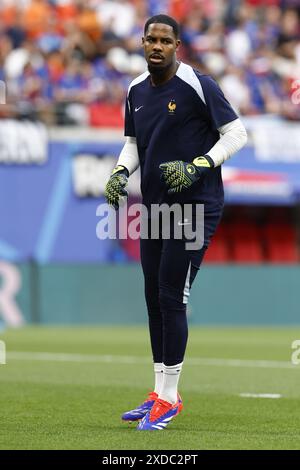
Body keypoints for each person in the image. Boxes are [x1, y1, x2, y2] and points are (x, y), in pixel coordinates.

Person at [104, 14, 247, 431]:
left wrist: (200, 164)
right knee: (153, 298)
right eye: (151, 39)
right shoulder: (134, 90)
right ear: (142, 42)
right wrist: (118, 172)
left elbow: (236, 133)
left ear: (177, 45)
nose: (157, 46)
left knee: (171, 296)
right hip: (155, 207)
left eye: (165, 40)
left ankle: (170, 398)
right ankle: (159, 394)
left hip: (195, 204)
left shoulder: (197, 84)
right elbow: (132, 144)